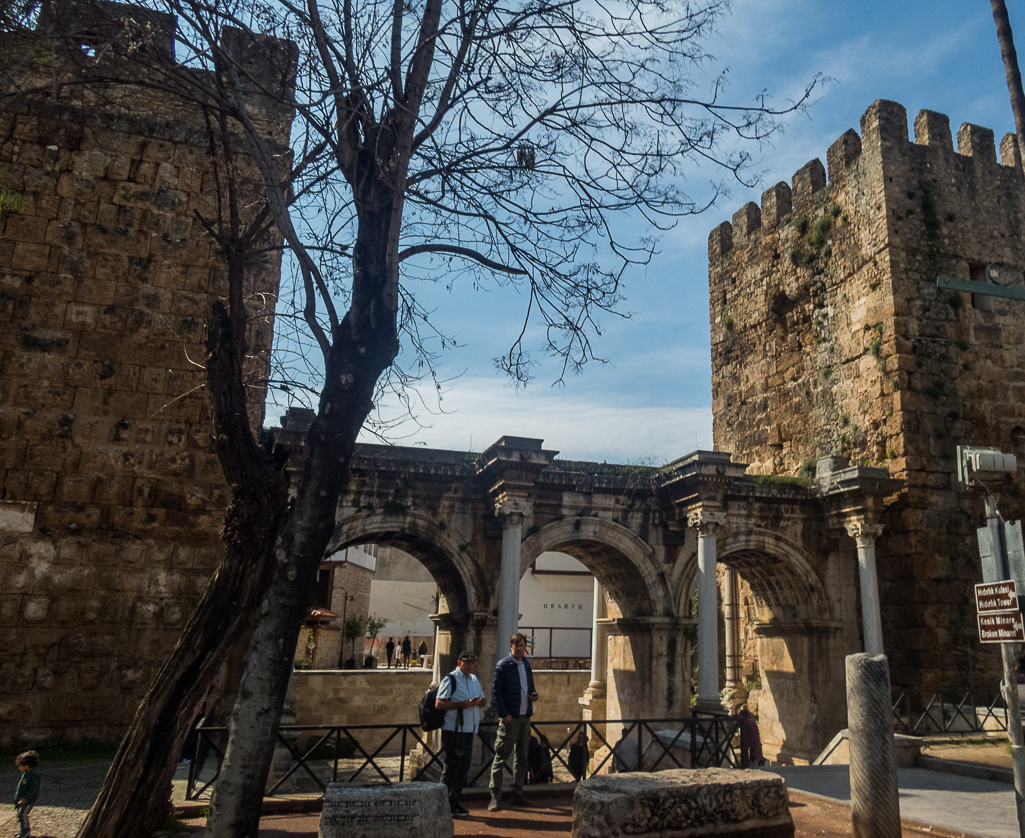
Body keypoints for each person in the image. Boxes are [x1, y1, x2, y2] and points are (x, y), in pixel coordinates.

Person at [488, 633, 538, 811]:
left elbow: (530, 686)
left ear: (525, 647)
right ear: (511, 647)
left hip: (525, 717)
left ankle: (517, 792)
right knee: (501, 756)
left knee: (522, 757)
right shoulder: (503, 665)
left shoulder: (526, 665)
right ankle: (495, 794)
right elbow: (495, 693)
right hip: (511, 718)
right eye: (516, 646)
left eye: (522, 645)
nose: (519, 649)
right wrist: (504, 714)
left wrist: (533, 695)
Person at [435, 650, 487, 818]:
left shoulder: (474, 680)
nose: (470, 665)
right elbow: (439, 703)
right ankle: (440, 803)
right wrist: (460, 705)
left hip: (469, 730)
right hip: (453, 730)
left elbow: (484, 700)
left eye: (472, 662)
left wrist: (479, 702)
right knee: (451, 767)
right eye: (467, 662)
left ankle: (453, 802)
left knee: (463, 768)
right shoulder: (450, 679)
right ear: (459, 663)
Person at [14, 750, 40, 838]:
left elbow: (34, 788)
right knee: (20, 814)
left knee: (22, 814)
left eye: (20, 766)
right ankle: (23, 831)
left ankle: (25, 832)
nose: (19, 768)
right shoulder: (27, 773)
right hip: (23, 799)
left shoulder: (32, 775)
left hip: (28, 800)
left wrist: (25, 798)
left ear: (26, 766)